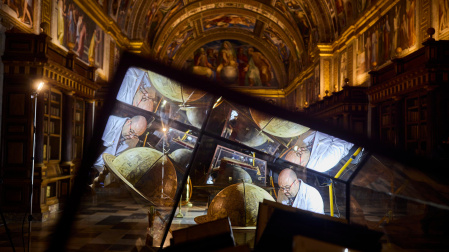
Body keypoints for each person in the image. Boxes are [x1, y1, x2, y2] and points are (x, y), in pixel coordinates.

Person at [92, 115, 147, 187]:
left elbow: (120, 158)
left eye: (135, 135)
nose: (131, 137)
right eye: (131, 131)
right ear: (128, 122)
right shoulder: (110, 121)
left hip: (107, 171)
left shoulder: (134, 140)